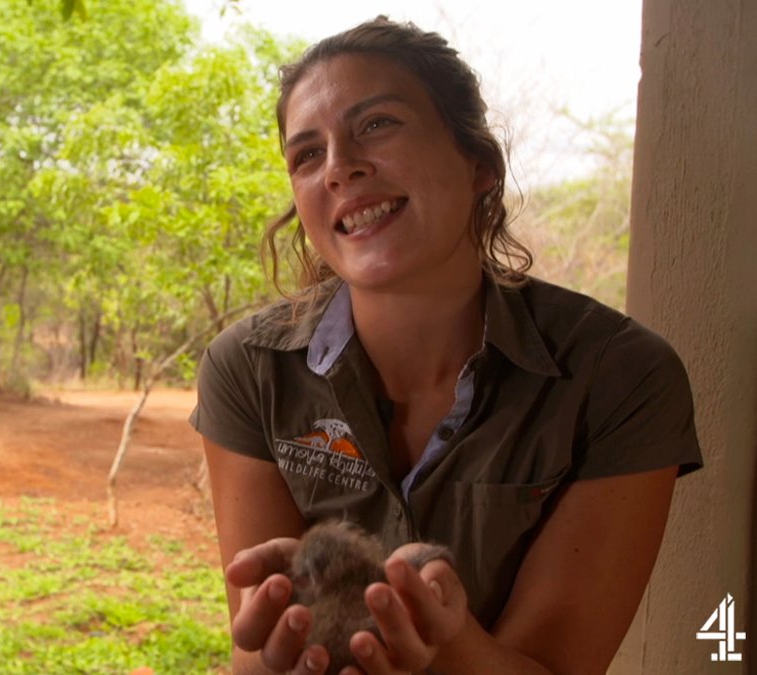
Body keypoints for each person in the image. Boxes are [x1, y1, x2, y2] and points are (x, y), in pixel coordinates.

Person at [190, 16, 702, 675]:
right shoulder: (248, 369)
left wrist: (446, 636)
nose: (341, 167)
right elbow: (259, 654)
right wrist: (279, 649)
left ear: (479, 164)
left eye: (377, 124)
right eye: (307, 154)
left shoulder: (619, 377)